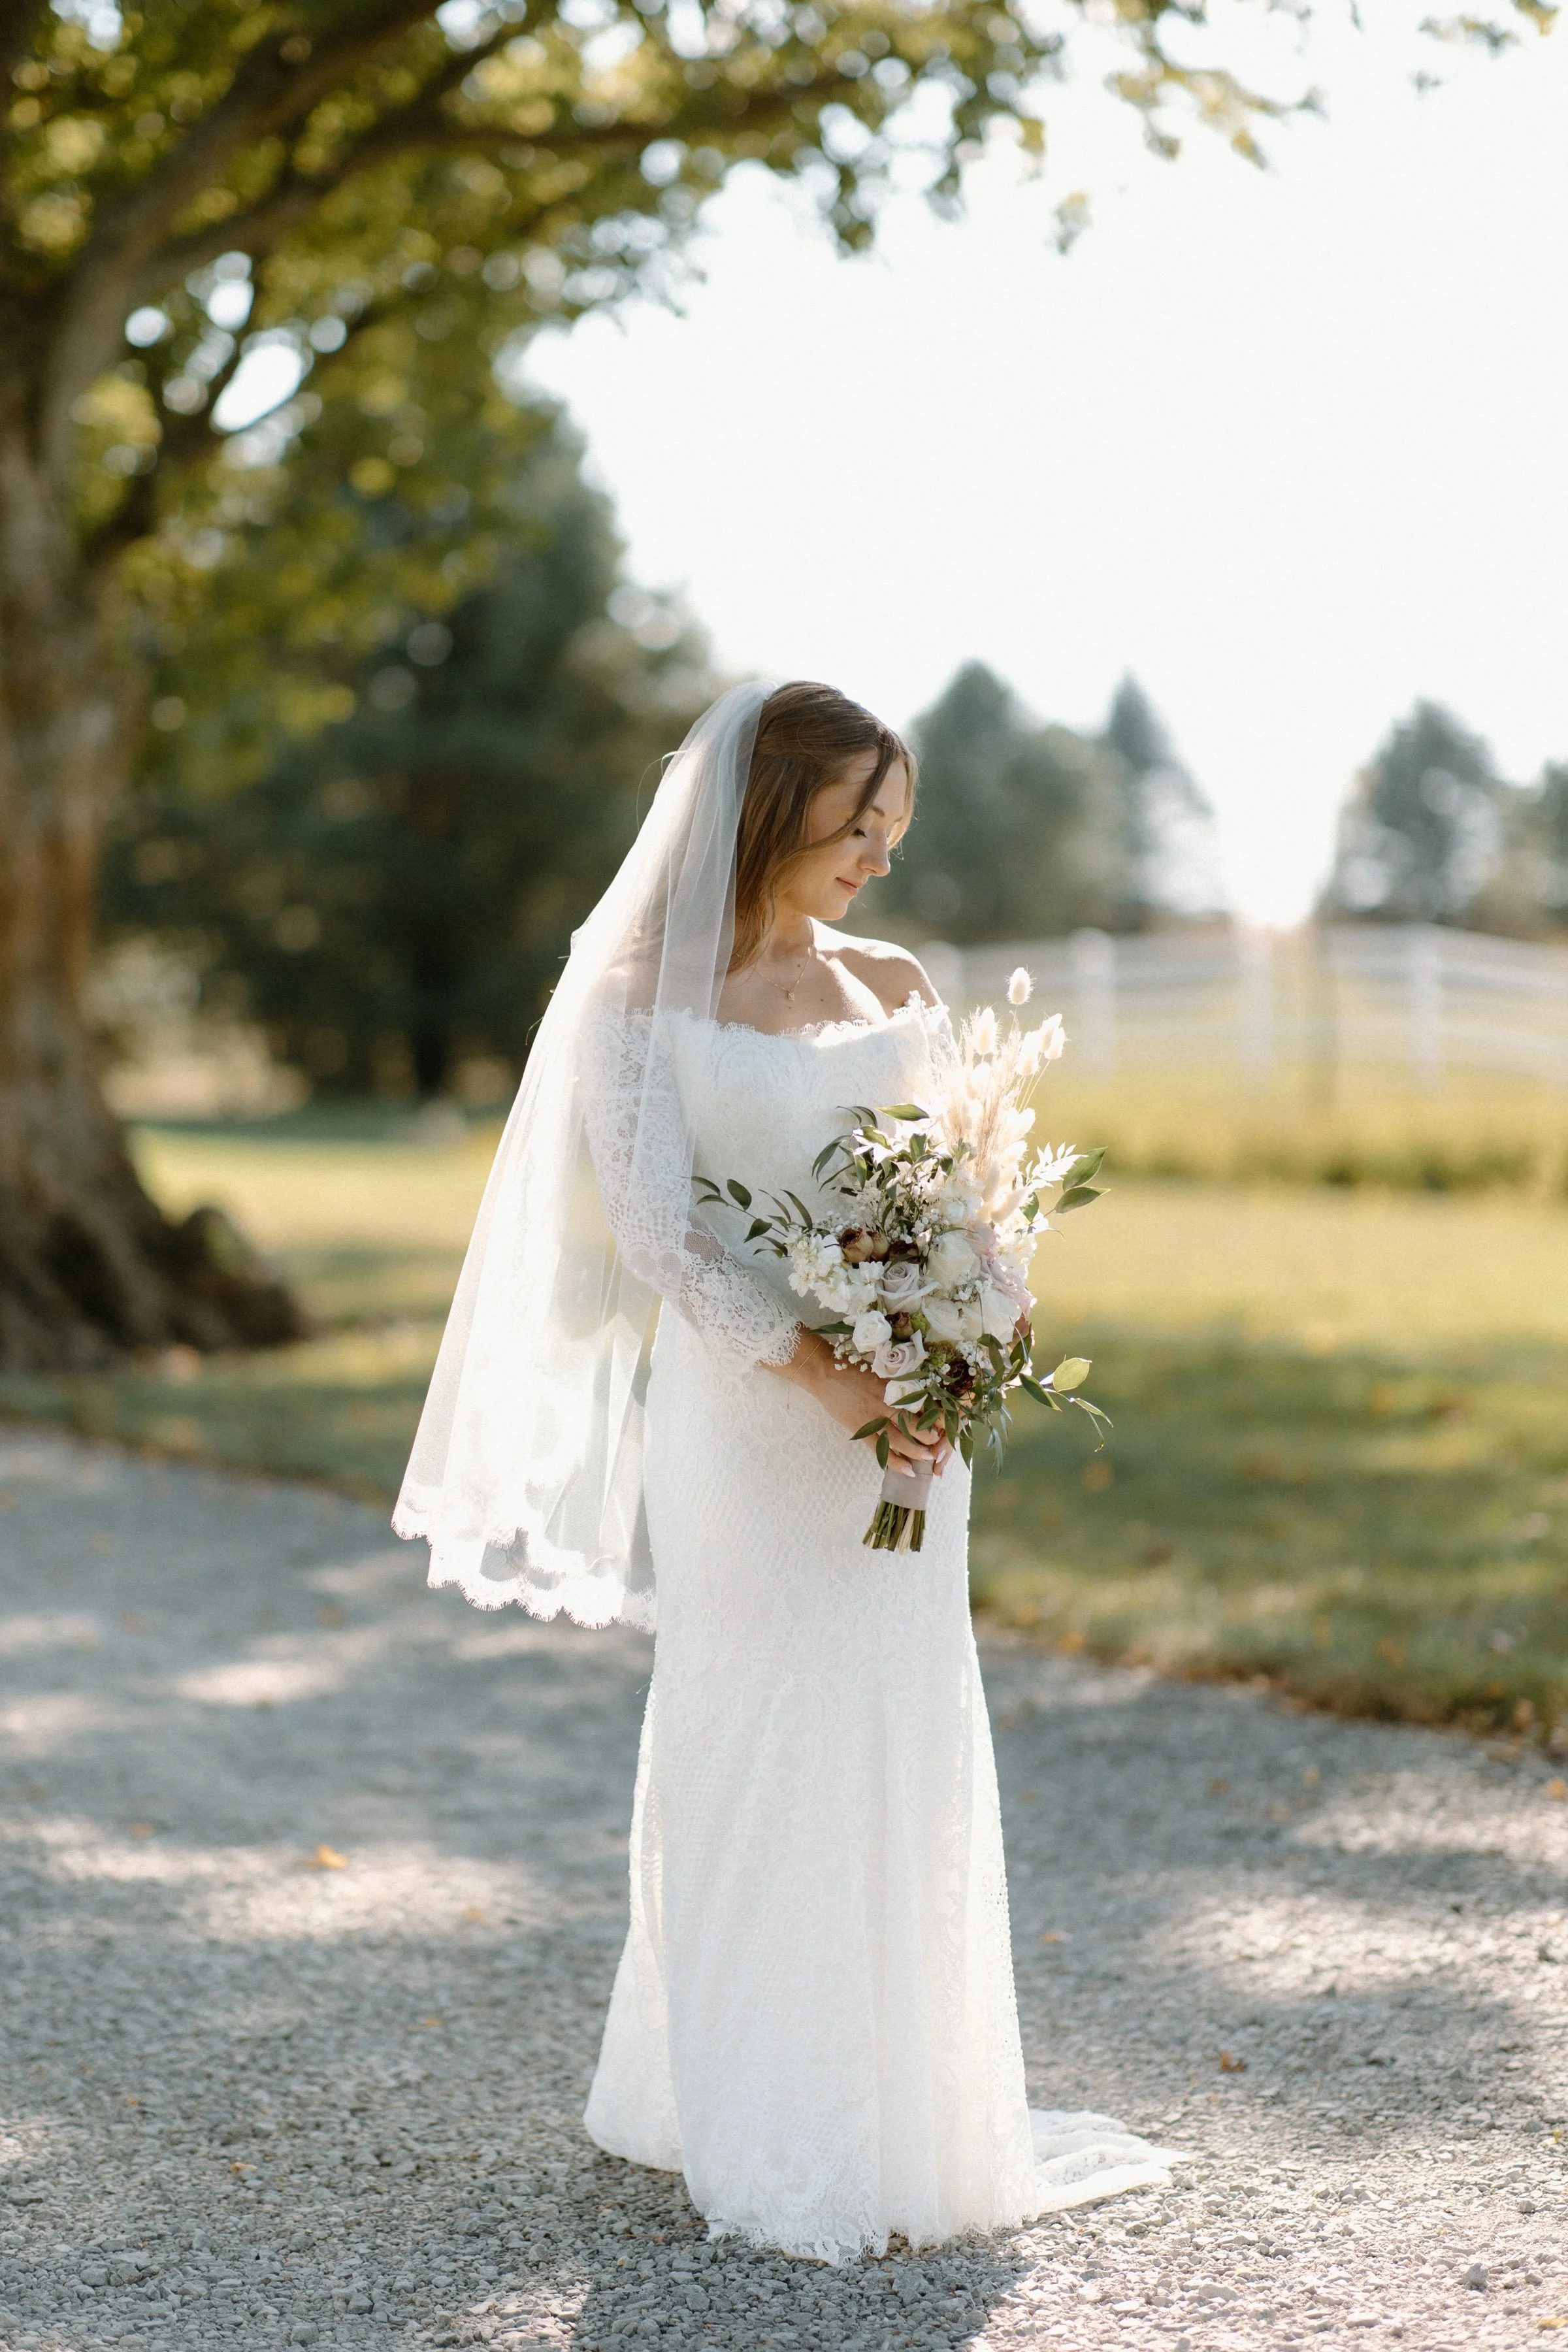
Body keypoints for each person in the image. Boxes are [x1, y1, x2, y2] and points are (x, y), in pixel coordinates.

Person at [395, 680, 1183, 2262]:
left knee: (899, 1712)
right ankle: (763, 2112)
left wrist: (972, 1331)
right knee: (753, 1717)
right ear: (768, 812)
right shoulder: (627, 992)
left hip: (912, 1426)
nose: (881, 858)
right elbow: (659, 1231)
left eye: (895, 827)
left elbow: (970, 1190)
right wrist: (829, 1374)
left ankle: (909, 2103)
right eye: (856, 824)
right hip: (750, 1425)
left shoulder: (893, 979)